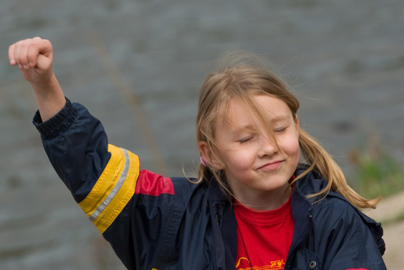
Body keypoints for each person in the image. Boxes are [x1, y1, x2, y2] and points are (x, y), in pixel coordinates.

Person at [9, 37, 386, 270]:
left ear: (298, 126)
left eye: (280, 129)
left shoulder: (335, 221)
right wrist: (45, 85)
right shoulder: (171, 215)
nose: (269, 147)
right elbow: (92, 173)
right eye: (245, 139)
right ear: (211, 153)